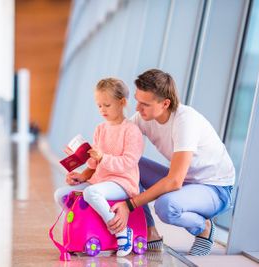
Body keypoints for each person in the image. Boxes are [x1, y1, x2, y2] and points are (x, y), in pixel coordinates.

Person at [104, 69, 235, 256]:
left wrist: (129, 204)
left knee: (165, 206)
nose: (137, 109)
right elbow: (116, 144)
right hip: (186, 180)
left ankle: (203, 227)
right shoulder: (145, 117)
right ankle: (150, 232)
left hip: (215, 188)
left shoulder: (185, 121)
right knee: (132, 164)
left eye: (145, 104)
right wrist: (86, 168)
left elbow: (174, 181)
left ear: (165, 103)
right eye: (137, 100)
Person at [54, 78, 144, 257]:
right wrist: (82, 175)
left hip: (122, 183)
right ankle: (87, 222)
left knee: (90, 193)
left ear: (122, 102)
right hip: (99, 181)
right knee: (61, 194)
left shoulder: (131, 130)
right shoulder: (100, 129)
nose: (102, 110)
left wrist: (103, 157)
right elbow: (94, 166)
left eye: (107, 105)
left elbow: (128, 163)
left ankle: (121, 231)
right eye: (99, 106)